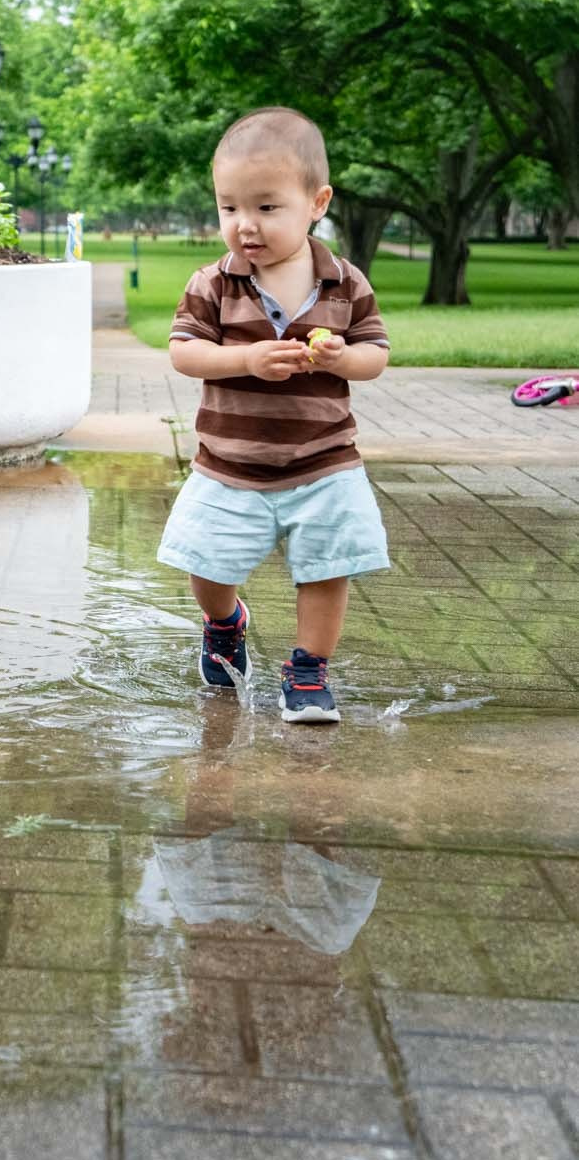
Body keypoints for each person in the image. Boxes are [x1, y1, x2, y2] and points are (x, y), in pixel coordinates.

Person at [158, 107, 391, 723]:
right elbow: (185, 353)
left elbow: (376, 356)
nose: (245, 226)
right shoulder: (213, 283)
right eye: (229, 208)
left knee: (327, 566)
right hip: (229, 464)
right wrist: (247, 360)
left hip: (325, 461)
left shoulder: (344, 282)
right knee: (203, 561)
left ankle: (309, 670)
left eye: (266, 207)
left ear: (317, 202)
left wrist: (342, 357)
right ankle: (224, 620)